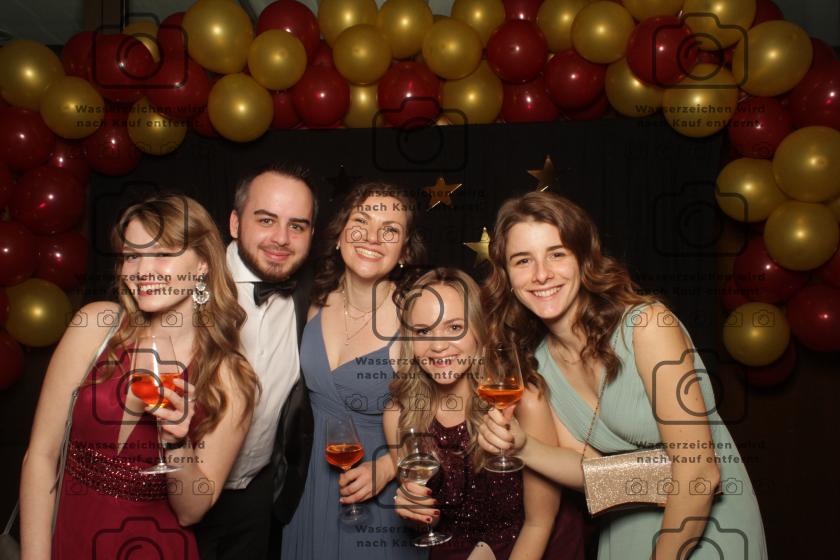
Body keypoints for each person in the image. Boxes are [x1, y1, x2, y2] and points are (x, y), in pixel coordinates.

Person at [476, 191, 768, 559]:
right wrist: (524, 447)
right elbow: (599, 477)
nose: (541, 274)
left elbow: (699, 474)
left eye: (557, 254)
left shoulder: (648, 326)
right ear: (506, 276)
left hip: (706, 527)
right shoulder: (539, 364)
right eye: (523, 260)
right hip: (627, 527)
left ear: (584, 258)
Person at [19, 194, 259, 559]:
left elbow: (191, 511)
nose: (142, 270)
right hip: (69, 537)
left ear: (202, 264)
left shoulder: (232, 378)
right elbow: (41, 454)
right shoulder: (95, 325)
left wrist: (177, 444)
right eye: (132, 255)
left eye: (162, 253)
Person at [385, 267, 584, 560]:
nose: (438, 346)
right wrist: (415, 511)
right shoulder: (399, 416)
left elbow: (539, 523)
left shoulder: (522, 403)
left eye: (455, 327)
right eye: (423, 331)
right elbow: (429, 521)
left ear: (480, 331)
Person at [281, 181, 427, 559]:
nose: (372, 237)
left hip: (378, 496)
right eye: (361, 222)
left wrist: (390, 465)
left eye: (389, 230)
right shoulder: (311, 302)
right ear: (339, 234)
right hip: (308, 486)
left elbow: (447, 417)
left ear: (404, 251)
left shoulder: (416, 319)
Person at [193, 162, 317, 560]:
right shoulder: (189, 286)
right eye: (266, 220)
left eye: (297, 226)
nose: (281, 238)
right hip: (174, 498)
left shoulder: (308, 298)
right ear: (234, 223)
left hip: (257, 501)